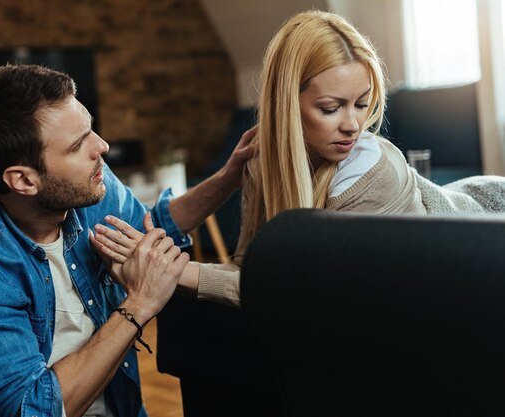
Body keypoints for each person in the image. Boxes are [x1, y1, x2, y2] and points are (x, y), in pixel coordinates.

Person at [0, 64, 256, 417]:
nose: (102, 147)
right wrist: (139, 305)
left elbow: (151, 227)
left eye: (90, 128)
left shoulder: (89, 187)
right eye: (78, 146)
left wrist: (230, 174)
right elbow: (33, 408)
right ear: (24, 180)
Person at [91, 10, 505, 308]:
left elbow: (313, 291)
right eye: (330, 108)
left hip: (486, 222)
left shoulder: (374, 169)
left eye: (362, 104)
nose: (353, 125)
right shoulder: (260, 163)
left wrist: (175, 270)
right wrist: (166, 267)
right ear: (288, 104)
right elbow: (253, 271)